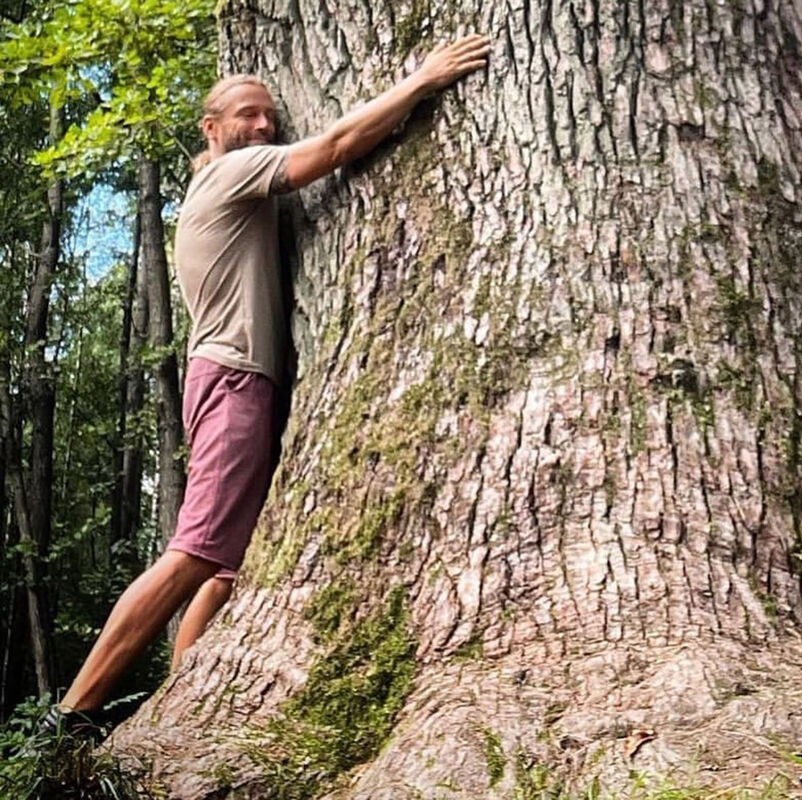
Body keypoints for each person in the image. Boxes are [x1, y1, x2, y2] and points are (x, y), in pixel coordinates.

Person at [38, 33, 491, 739]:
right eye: (246, 114)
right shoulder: (232, 174)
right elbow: (337, 145)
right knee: (196, 551)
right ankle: (73, 712)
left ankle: (182, 700)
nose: (263, 126)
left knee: (231, 565)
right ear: (212, 127)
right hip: (234, 377)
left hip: (234, 379)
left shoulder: (217, 180)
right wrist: (423, 80)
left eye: (268, 117)